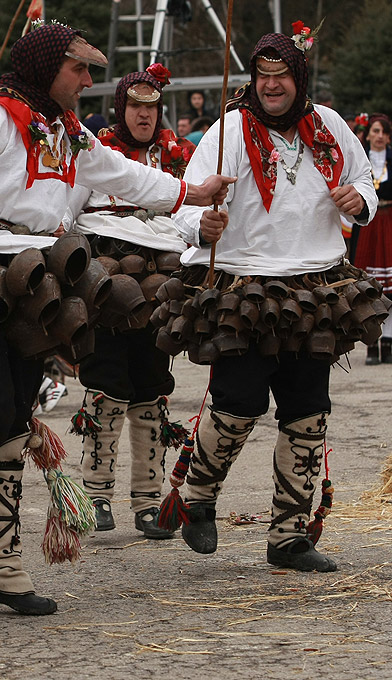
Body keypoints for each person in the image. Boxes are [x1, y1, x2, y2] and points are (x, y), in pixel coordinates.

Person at [0, 21, 232, 615]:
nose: (89, 81)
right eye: (80, 69)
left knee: (15, 412)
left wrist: (190, 194)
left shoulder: (69, 131)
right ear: (49, 68)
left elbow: (125, 176)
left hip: (33, 270)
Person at [166, 28, 378, 573]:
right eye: (262, 77)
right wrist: (200, 224)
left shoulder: (329, 126)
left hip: (316, 287)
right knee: (238, 404)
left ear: (298, 79)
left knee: (308, 412)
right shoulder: (228, 131)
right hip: (246, 286)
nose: (271, 85)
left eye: (281, 75)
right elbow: (189, 200)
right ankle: (196, 499)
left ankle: (289, 536)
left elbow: (364, 178)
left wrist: (363, 199)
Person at [66, 64, 196, 540]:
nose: (144, 115)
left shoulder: (175, 155)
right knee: (106, 380)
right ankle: (96, 495)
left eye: (152, 107)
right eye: (136, 106)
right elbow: (69, 206)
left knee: (152, 384)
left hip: (161, 273)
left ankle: (147, 501)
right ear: (122, 108)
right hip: (107, 270)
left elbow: (191, 211)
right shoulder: (95, 151)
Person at [353, 113, 392, 363]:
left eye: (383, 132)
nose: (379, 136)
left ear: (388, 137)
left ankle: (388, 342)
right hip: (366, 223)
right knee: (369, 288)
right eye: (375, 131)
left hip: (390, 223)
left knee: (391, 286)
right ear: (367, 135)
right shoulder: (360, 161)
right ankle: (371, 344)